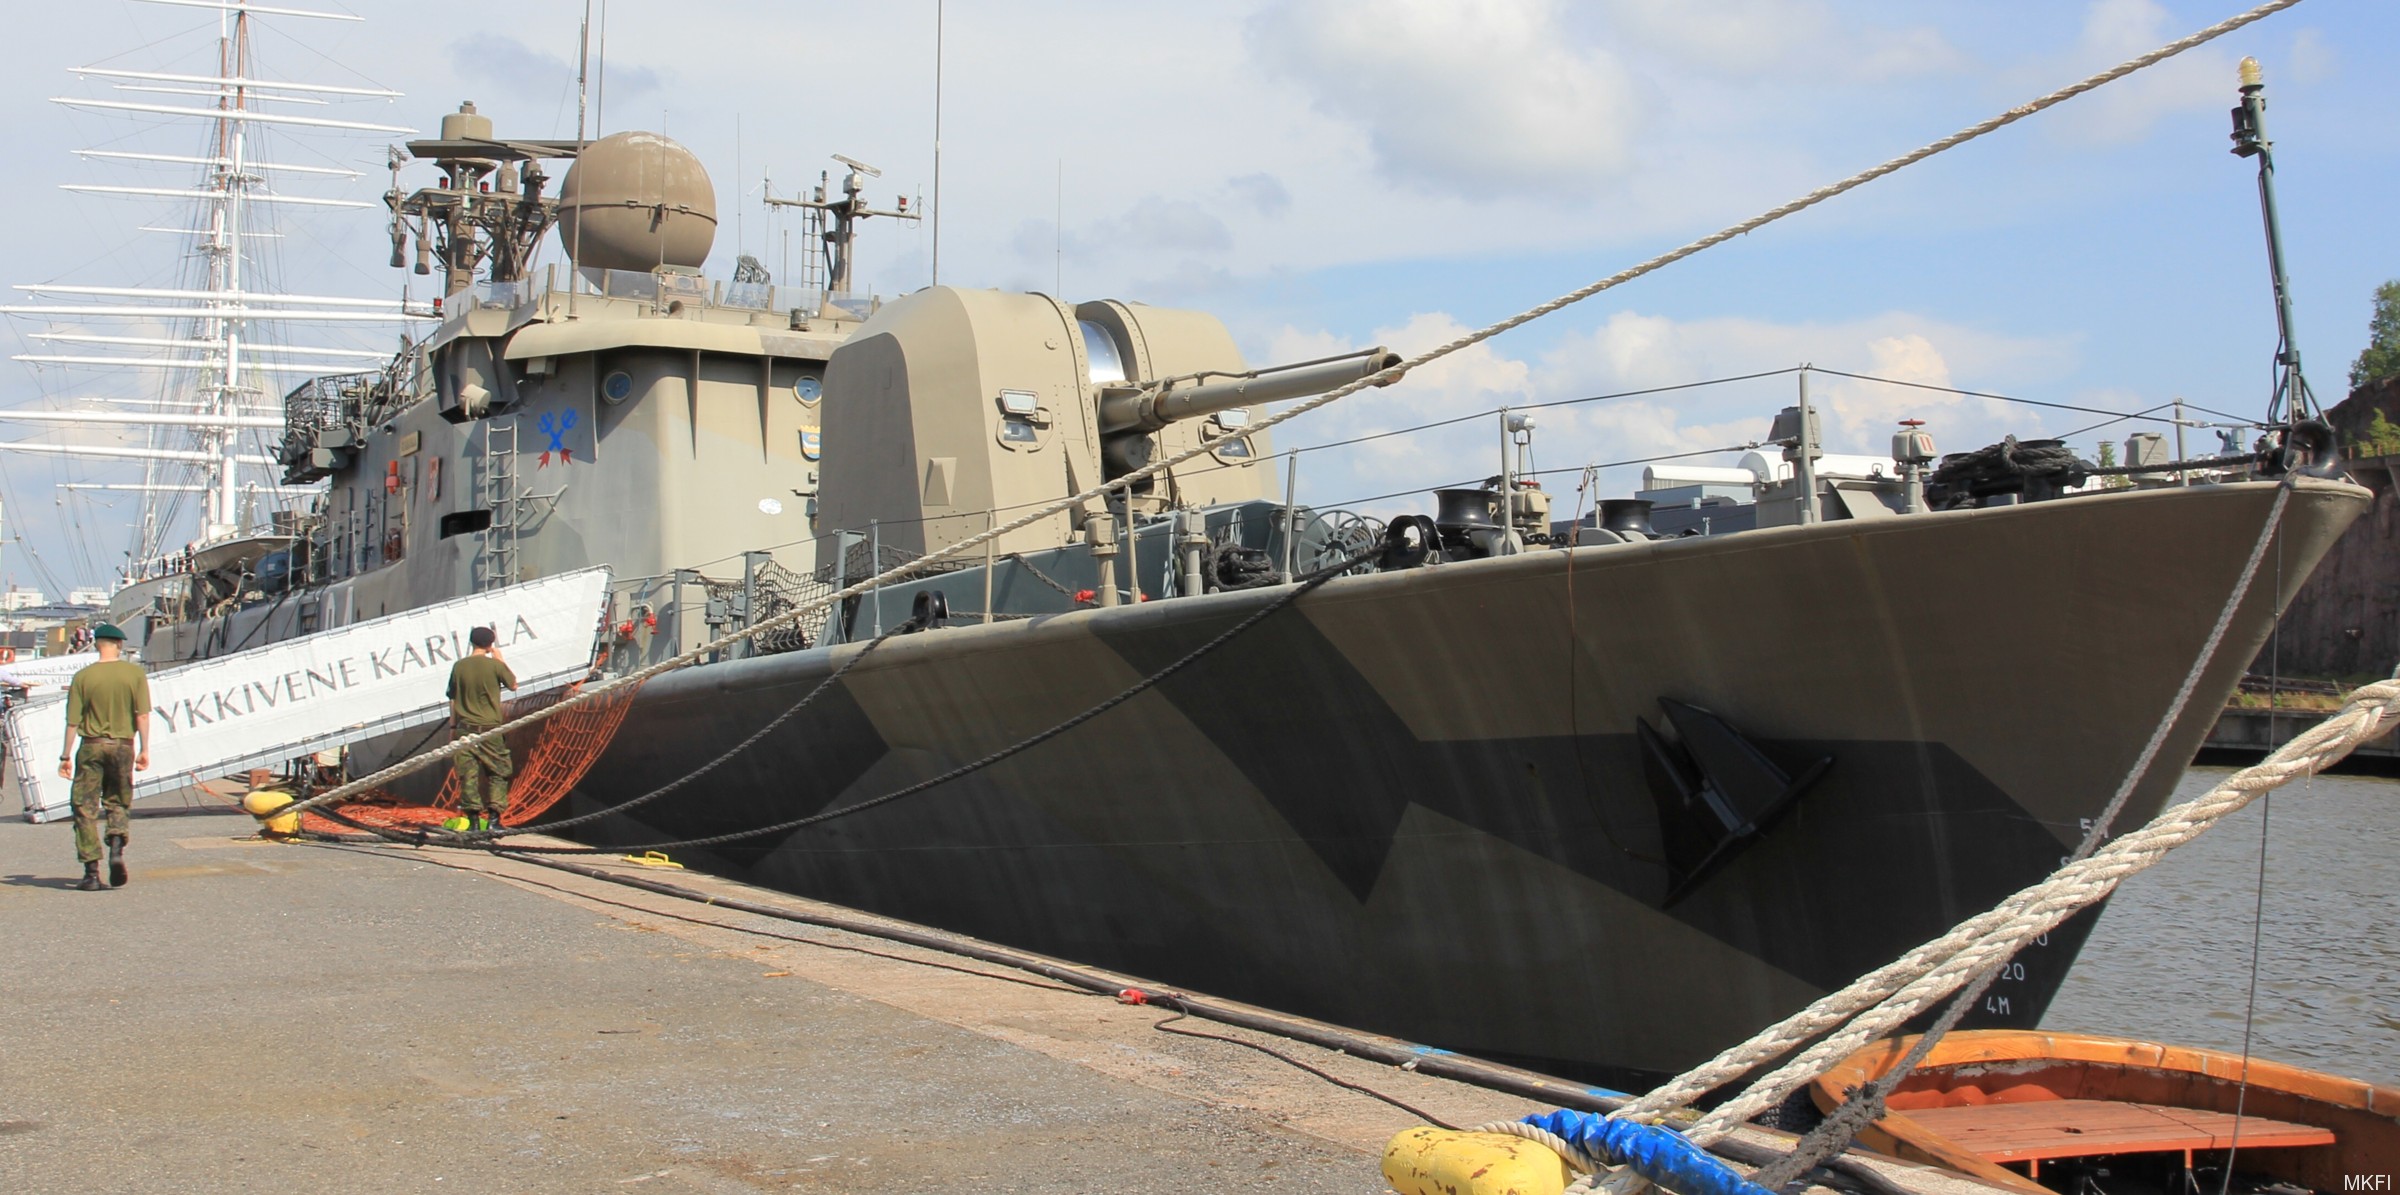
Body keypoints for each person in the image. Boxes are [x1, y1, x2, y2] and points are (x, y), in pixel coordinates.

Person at [59, 624, 150, 891]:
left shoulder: (83, 677)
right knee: (118, 800)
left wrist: (65, 756)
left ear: (96, 643)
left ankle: (90, 873)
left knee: (84, 806)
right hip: (123, 745)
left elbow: (72, 721)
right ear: (119, 645)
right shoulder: (134, 674)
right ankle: (117, 843)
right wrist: (144, 749)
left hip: (91, 745)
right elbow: (142, 715)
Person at [445, 625, 517, 832]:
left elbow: (452, 697)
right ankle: (494, 820)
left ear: (471, 642)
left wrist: (452, 727)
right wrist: (499, 659)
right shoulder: (494, 666)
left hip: (464, 729)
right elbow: (513, 684)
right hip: (490, 730)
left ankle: (473, 821)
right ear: (490, 644)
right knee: (498, 772)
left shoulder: (459, 666)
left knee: (468, 775)